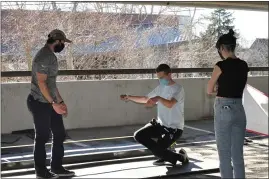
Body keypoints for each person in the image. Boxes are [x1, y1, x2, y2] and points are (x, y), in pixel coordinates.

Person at [27, 29, 75, 179]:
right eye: (63, 43)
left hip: (49, 101)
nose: (63, 45)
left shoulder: (50, 56)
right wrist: (53, 103)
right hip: (39, 102)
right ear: (58, 41)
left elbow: (51, 84)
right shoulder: (44, 56)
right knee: (42, 137)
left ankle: (57, 167)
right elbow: (41, 83)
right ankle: (41, 172)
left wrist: (60, 102)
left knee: (59, 133)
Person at [120, 64, 189, 166]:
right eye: (158, 78)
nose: (160, 80)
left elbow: (170, 104)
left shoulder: (178, 89)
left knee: (158, 151)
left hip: (174, 128)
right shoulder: (160, 88)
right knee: (139, 135)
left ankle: (179, 157)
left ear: (169, 75)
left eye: (162, 77)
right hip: (160, 125)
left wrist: (158, 98)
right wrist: (129, 97)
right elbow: (145, 99)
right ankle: (166, 154)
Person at [207, 29, 249, 179]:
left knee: (224, 154)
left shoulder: (220, 65)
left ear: (222, 48)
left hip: (223, 108)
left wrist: (217, 89)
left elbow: (209, 89)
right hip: (239, 108)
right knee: (237, 154)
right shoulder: (244, 65)